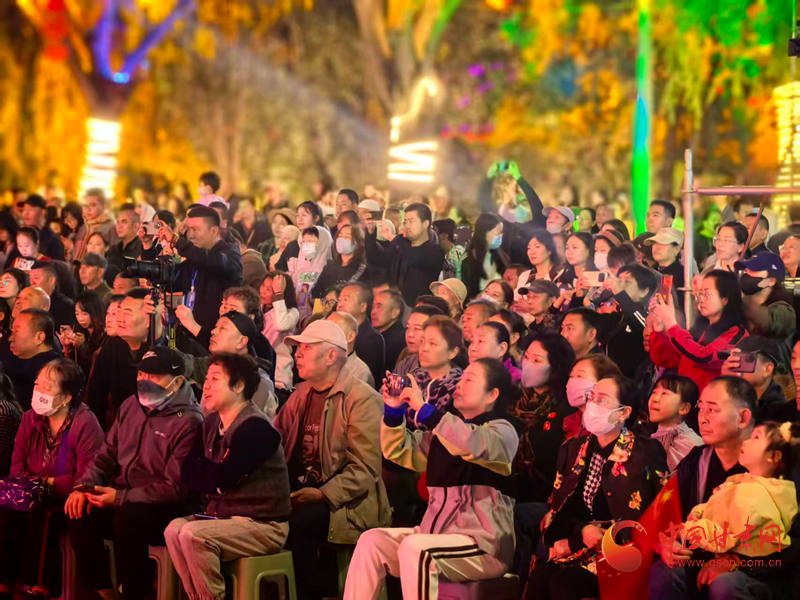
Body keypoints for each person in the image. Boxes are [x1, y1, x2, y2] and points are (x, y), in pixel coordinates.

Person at [345, 358, 518, 600]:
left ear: (492, 394)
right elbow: (399, 449)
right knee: (372, 541)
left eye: (470, 379)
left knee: (417, 549)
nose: (460, 383)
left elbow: (473, 443)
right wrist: (394, 411)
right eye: (461, 377)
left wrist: (424, 409)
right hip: (438, 537)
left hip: (483, 543)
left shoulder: (504, 430)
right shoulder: (442, 433)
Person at [273, 320, 391, 600]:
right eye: (298, 349)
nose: (297, 354)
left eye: (306, 348)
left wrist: (322, 493)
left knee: (296, 523)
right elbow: (274, 442)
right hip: (302, 492)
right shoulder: (301, 394)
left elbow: (365, 469)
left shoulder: (362, 398)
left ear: (331, 356)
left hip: (347, 505)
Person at [525, 374, 668, 600]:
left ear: (624, 412)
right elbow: (560, 508)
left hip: (624, 550)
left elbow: (658, 513)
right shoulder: (573, 449)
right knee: (540, 577)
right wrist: (580, 531)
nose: (592, 405)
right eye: (591, 397)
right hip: (581, 544)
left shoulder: (645, 453)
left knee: (565, 584)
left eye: (601, 400)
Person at [165, 353, 290, 600]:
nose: (206, 385)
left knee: (193, 534)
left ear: (239, 385)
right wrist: (212, 477)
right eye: (206, 378)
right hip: (223, 517)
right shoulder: (210, 424)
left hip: (264, 524)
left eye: (215, 378)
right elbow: (187, 472)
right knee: (173, 529)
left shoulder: (257, 428)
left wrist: (210, 476)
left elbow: (223, 478)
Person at [0, 359, 103, 599]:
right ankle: (6, 581)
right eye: (37, 385)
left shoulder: (84, 423)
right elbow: (17, 468)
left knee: (43, 513)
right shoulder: (29, 419)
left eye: (47, 387)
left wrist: (46, 484)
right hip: (33, 493)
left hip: (73, 499)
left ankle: (37, 585)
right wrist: (42, 484)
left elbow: (86, 476)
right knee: (7, 507)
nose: (38, 391)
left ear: (66, 398)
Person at [648, 377, 756, 600]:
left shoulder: (771, 460)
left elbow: (792, 539)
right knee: (665, 572)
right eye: (701, 408)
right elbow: (666, 512)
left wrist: (737, 560)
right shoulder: (698, 459)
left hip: (758, 567)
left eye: (713, 410)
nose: (703, 418)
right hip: (700, 559)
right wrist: (666, 543)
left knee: (725, 585)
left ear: (743, 418)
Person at [649, 270, 748, 392]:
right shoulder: (700, 329)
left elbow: (703, 357)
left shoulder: (737, 334)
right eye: (700, 294)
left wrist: (670, 321)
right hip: (685, 398)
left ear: (725, 299)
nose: (701, 299)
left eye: (707, 294)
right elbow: (666, 360)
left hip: (708, 400)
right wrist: (659, 328)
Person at [155, 205, 244, 331]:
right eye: (188, 229)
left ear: (214, 231)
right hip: (190, 331)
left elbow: (212, 260)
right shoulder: (194, 254)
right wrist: (150, 248)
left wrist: (176, 240)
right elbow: (174, 283)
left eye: (195, 229)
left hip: (217, 333)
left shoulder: (229, 253)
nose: (190, 235)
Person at [85, 288, 164, 428]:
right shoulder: (112, 346)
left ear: (149, 319)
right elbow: (96, 397)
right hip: (121, 430)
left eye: (127, 313)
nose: (119, 319)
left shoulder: (172, 349)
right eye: (119, 312)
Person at [513, 332, 576, 503]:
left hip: (540, 495)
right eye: (526, 357)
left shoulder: (565, 408)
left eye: (537, 361)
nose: (527, 365)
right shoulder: (513, 397)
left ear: (555, 368)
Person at [365, 203, 445, 305]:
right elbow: (377, 259)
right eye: (405, 221)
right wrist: (371, 234)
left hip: (419, 306)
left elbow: (413, 257)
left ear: (425, 224)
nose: (407, 226)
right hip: (396, 305)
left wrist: (392, 237)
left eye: (411, 221)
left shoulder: (434, 251)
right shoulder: (400, 243)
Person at [400, 316, 465, 428]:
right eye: (422, 341)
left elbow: (455, 432)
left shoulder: (458, 386)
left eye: (433, 344)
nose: (424, 348)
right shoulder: (413, 377)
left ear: (452, 352)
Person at [736, 251, 796, 369]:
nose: (747, 272)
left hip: (774, 375)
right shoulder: (741, 303)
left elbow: (769, 321)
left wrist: (738, 300)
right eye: (746, 269)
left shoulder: (785, 310)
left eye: (754, 270)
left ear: (772, 280)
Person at [720, 336, 793, 421]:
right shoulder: (739, 397)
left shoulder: (777, 412)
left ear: (767, 369)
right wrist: (725, 385)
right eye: (733, 360)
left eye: (743, 360)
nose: (734, 366)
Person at [2, 308, 61, 410]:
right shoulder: (14, 361)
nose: (10, 338)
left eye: (17, 331)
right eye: (12, 332)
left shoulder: (55, 372)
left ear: (39, 337)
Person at [648, 373, 703, 470]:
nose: (655, 399)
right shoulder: (651, 437)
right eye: (654, 392)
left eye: (664, 394)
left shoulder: (692, 444)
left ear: (684, 408)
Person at [562, 353, 622, 441]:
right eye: (571, 376)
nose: (571, 382)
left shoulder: (611, 426)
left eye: (580, 376)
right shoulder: (571, 423)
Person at [337, 282, 385, 387]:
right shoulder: (334, 330)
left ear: (363, 307)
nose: (340, 304)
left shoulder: (372, 339)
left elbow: (364, 379)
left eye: (346, 300)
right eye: (339, 300)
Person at [262, 272, 300, 397]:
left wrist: (278, 295)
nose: (262, 291)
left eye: (269, 289)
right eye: (263, 286)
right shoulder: (258, 308)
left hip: (279, 376)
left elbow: (281, 325)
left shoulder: (292, 312)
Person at [312, 223, 370, 298]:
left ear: (357, 243)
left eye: (347, 237)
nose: (342, 239)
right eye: (340, 236)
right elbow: (316, 292)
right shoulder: (329, 267)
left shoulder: (363, 269)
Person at [60, 290, 107, 378]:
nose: (80, 318)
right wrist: (66, 347)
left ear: (95, 312)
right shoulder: (78, 331)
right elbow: (71, 365)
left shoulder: (105, 335)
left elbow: (96, 364)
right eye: (77, 314)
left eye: (85, 314)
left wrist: (82, 345)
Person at [461, 213, 506, 300]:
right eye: (497, 233)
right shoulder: (470, 257)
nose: (500, 237)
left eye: (501, 233)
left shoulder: (499, 254)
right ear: (484, 233)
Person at [289, 226, 333, 310]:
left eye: (311, 241)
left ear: (323, 244)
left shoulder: (328, 271)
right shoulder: (304, 269)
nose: (306, 245)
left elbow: (302, 299)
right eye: (304, 242)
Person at [394, 304, 443, 377]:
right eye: (408, 327)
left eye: (417, 329)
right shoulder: (406, 360)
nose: (410, 334)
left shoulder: (444, 369)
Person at [328, 311, 375, 387]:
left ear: (350, 337)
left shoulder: (360, 372)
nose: (325, 334)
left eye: (333, 329)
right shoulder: (318, 361)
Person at [13, 195, 65, 261]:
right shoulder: (21, 236)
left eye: (30, 210)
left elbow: (58, 265)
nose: (26, 213)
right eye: (24, 210)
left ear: (43, 212)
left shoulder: (53, 240)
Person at [275, 201, 323, 272]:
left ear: (316, 218)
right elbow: (279, 269)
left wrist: (293, 276)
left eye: (304, 215)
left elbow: (315, 274)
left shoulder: (324, 243)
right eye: (297, 215)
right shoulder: (292, 245)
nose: (300, 219)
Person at [28, 260, 73, 330]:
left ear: (51, 281)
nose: (32, 282)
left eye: (36, 278)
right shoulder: (29, 301)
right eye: (30, 279)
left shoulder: (65, 305)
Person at [73, 190, 114, 261]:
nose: (87, 209)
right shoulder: (83, 227)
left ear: (103, 206)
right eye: (85, 206)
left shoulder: (111, 228)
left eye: (93, 205)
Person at [371, 289, 406, 371]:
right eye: (373, 306)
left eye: (379, 307)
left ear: (395, 313)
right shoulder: (375, 336)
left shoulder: (398, 342)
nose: (373, 312)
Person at [645, 227, 687, 291]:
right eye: (655, 242)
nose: (657, 247)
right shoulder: (647, 272)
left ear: (677, 249)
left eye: (663, 243)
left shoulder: (684, 277)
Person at [106, 203, 143, 272]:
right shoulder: (114, 249)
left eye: (124, 222)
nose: (119, 226)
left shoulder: (142, 249)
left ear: (136, 226)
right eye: (118, 222)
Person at [0, 269, 27, 333]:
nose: (1, 285)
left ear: (20, 285)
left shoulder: (26, 310)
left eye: (7, 281)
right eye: (0, 281)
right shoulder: (2, 309)